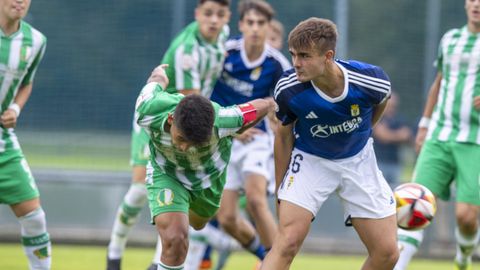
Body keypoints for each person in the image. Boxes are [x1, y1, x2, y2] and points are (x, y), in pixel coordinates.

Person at [261, 17, 399, 270]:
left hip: (358, 161)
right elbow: (282, 135)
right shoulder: (288, 88)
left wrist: (365, 131)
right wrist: (282, 188)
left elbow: (381, 101)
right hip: (310, 161)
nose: (296, 63)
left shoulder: (371, 80)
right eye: (292, 55)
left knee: (387, 253)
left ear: (328, 55)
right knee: (287, 242)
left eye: (304, 56)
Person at [106, 1, 231, 269]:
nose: (213, 20)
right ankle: (114, 254)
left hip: (191, 127)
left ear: (227, 17)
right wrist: (224, 124)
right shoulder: (187, 50)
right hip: (160, 120)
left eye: (220, 15)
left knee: (177, 194)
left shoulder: (223, 36)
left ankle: (156, 262)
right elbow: (191, 103)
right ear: (197, 14)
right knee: (140, 188)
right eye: (207, 14)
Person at [185, 1, 291, 269]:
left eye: (261, 24)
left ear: (268, 28)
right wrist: (229, 128)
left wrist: (273, 115)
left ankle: (277, 259)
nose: (255, 29)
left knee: (256, 199)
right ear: (241, 25)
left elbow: (284, 103)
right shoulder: (225, 52)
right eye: (250, 23)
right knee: (228, 218)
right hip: (222, 139)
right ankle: (264, 257)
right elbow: (204, 88)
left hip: (256, 139)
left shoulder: (276, 64)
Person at [136, 64, 273, 270]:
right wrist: (160, 76)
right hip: (167, 173)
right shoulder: (148, 109)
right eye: (181, 138)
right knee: (176, 239)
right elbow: (155, 81)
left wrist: (274, 105)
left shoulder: (223, 121)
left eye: (194, 143)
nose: (184, 148)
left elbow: (258, 107)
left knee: (198, 224)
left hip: (208, 182)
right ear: (172, 119)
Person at [394, 1, 480, 269]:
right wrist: (424, 124)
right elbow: (439, 82)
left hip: (475, 142)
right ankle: (398, 265)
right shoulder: (450, 39)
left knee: (466, 217)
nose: (477, 4)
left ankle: (464, 256)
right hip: (439, 136)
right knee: (414, 202)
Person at [0, 0, 50, 269]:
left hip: (3, 143)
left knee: (34, 218)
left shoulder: (36, 42)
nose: (19, 1)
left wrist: (15, 109)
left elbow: (26, 83)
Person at [372, 92, 413, 187]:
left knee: (394, 191)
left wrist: (389, 135)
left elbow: (407, 135)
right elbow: (382, 136)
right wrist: (398, 135)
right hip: (378, 162)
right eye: (389, 106)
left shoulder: (400, 119)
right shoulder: (376, 117)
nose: (392, 108)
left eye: (394, 106)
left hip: (395, 163)